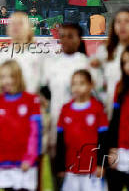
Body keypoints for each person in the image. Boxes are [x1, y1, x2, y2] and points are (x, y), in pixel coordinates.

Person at [41, 23, 91, 191]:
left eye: (71, 36)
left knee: (81, 175)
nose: (66, 40)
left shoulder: (87, 65)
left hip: (82, 129)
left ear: (79, 39)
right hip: (57, 126)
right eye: (62, 36)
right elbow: (44, 92)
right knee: (58, 173)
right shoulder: (51, 64)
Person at [0, 60, 41, 191]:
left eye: (10, 76)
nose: (6, 81)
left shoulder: (31, 100)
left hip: (24, 164)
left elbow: (35, 133)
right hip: (4, 163)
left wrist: (29, 158)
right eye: (2, 77)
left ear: (18, 77)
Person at [55, 70, 108, 191]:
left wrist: (101, 164)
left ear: (91, 85)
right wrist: (60, 166)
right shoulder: (65, 109)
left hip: (92, 169)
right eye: (74, 84)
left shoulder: (98, 108)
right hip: (71, 168)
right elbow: (60, 140)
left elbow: (103, 139)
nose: (77, 87)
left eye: (82, 83)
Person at [90, 7, 129, 117]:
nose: (122, 25)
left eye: (127, 21)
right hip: (111, 113)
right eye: (118, 22)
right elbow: (97, 85)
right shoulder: (105, 51)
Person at [107, 45, 129, 191]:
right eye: (124, 63)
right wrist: (113, 149)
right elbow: (115, 120)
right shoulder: (120, 88)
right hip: (123, 150)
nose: (128, 66)